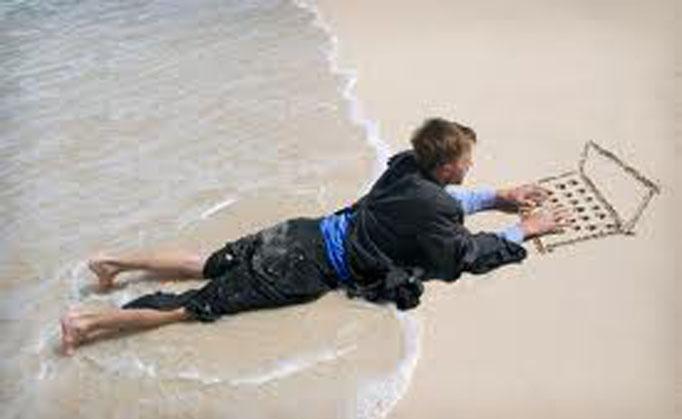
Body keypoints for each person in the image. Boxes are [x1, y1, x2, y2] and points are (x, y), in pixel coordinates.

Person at [60, 118, 569, 355]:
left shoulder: (404, 166)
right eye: (467, 162)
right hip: (301, 269)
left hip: (300, 231)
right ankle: (85, 324)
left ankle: (112, 263)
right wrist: (522, 230)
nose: (471, 167)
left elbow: (438, 204)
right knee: (193, 308)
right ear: (448, 167)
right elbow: (466, 254)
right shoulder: (437, 205)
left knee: (205, 262)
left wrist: (497, 195)